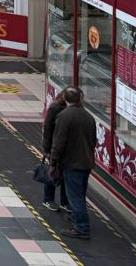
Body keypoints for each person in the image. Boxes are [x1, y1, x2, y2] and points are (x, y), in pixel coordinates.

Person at [50, 87, 96, 239]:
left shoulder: (64, 116)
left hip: (72, 163)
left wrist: (53, 162)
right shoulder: (89, 117)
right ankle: (77, 220)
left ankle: (81, 228)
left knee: (75, 197)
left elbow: (59, 142)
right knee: (80, 194)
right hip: (87, 162)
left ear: (65, 98)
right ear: (80, 99)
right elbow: (93, 140)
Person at [41, 89, 70, 213]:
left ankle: (64, 201)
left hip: (66, 148)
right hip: (54, 147)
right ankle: (48, 199)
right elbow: (47, 128)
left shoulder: (69, 110)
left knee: (64, 175)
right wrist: (47, 149)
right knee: (53, 173)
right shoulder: (55, 108)